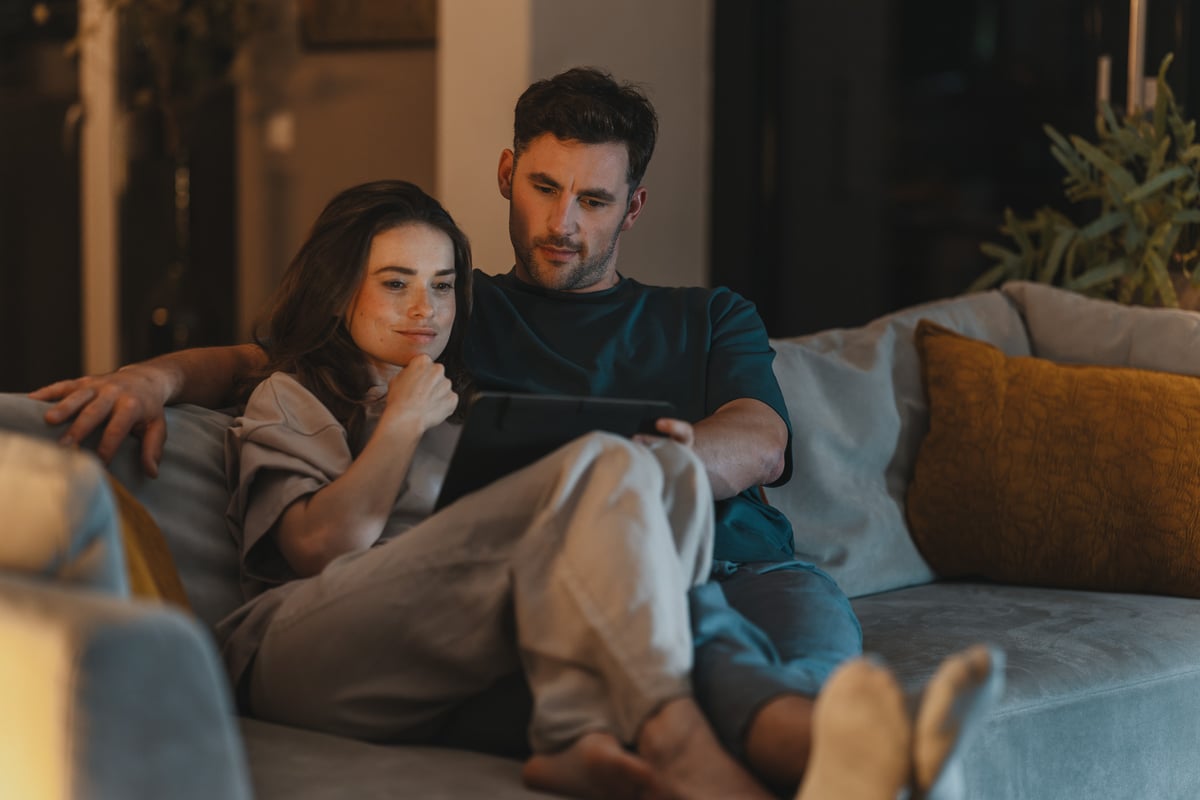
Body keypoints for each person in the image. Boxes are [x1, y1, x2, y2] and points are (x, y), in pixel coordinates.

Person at [31, 68, 1000, 798]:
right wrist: (150, 375)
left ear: (633, 207)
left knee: (750, 637)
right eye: (543, 189)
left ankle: (837, 747)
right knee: (634, 561)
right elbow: (276, 357)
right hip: (542, 560)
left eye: (591, 200)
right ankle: (809, 751)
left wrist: (659, 465)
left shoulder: (705, 316)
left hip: (727, 566)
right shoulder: (456, 314)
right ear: (506, 175)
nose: (562, 225)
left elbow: (760, 438)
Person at [214, 177, 778, 800]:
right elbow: (322, 547)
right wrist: (400, 422)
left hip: (435, 648)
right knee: (602, 460)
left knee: (664, 468)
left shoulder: (461, 408)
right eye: (395, 283)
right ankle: (673, 737)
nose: (425, 308)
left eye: (443, 285)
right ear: (339, 291)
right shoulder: (289, 394)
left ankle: (585, 734)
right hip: (301, 651)